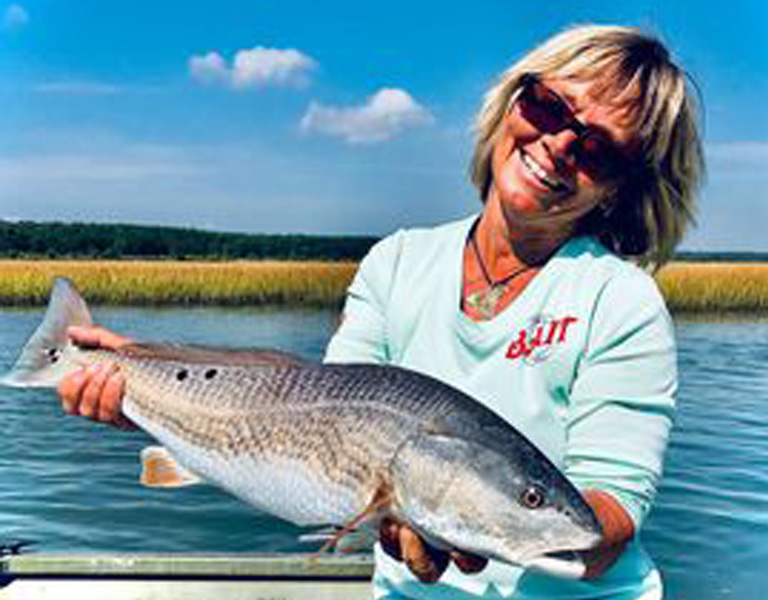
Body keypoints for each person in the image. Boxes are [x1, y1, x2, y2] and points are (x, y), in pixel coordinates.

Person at [59, 24, 704, 600]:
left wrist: (502, 521)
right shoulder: (396, 261)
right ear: (512, 101)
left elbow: (608, 515)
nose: (559, 145)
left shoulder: (620, 301)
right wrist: (142, 379)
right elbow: (315, 405)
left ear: (624, 185)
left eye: (598, 148)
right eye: (547, 106)